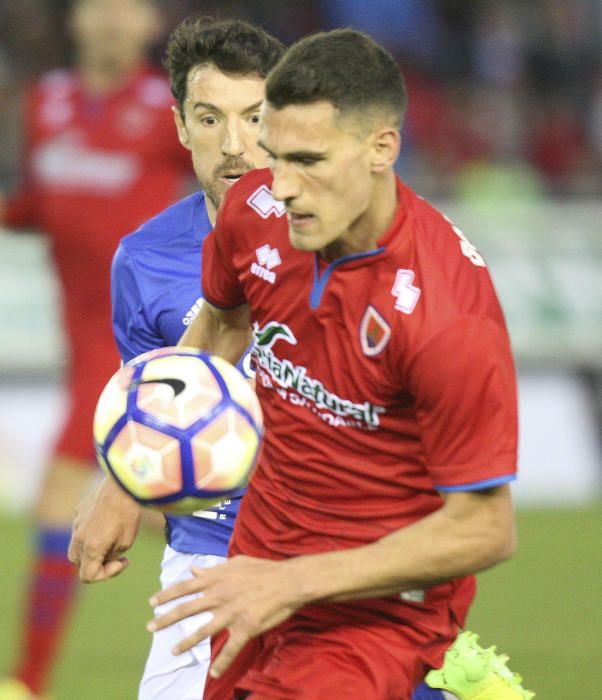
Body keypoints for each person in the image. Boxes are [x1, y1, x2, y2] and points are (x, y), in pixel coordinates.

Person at [149, 29, 522, 700]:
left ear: (382, 148)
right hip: (256, 572)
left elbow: (487, 528)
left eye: (309, 161)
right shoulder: (254, 211)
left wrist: (294, 581)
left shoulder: (446, 313)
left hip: (375, 614)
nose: (283, 186)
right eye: (277, 155)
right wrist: (129, 475)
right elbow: (222, 326)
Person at [67, 16, 286, 700]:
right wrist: (122, 487)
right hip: (204, 561)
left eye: (253, 117)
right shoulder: (144, 258)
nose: (233, 144)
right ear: (181, 126)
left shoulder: (335, 237)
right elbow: (156, 417)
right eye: (209, 117)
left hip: (332, 548)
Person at [0, 1, 190, 698]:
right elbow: (46, 204)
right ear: (74, 20)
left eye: (128, 7)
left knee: (58, 499)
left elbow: (229, 185)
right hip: (81, 342)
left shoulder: (171, 108)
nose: (112, 19)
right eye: (98, 6)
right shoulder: (45, 102)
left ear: (149, 25)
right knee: (161, 506)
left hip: (140, 339)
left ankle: (25, 683)